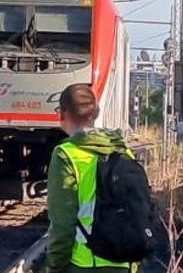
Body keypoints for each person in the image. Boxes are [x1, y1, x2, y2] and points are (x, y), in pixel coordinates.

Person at [47, 83, 136, 273]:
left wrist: (55, 266)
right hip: (124, 264)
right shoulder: (123, 151)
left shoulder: (66, 154)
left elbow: (63, 223)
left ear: (61, 113)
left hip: (84, 264)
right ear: (96, 113)